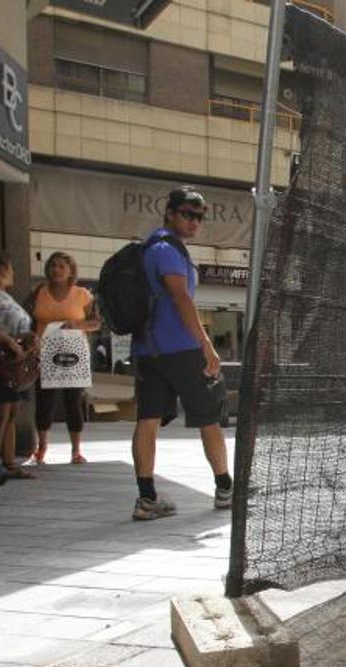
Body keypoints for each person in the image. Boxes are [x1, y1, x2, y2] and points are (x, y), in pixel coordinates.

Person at [129, 186, 232, 521]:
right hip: (180, 348)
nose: (194, 222)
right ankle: (225, 488)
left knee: (148, 419)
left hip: (147, 349)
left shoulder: (149, 247)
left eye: (199, 217)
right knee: (208, 417)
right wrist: (206, 344)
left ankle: (146, 498)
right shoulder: (166, 250)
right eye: (188, 214)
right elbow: (181, 299)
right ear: (170, 212)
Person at [26, 252, 101, 465]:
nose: (56, 270)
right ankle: (41, 447)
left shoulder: (83, 294)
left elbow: (97, 323)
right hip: (44, 353)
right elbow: (27, 319)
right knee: (44, 400)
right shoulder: (38, 292)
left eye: (61, 266)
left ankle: (76, 450)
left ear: (71, 271)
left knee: (73, 401)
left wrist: (78, 324)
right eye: (52, 266)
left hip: (74, 356)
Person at [0, 251, 39, 487]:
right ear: (1, 269)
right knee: (0, 413)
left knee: (10, 412)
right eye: (10, 267)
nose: (13, 272)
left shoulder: (5, 296)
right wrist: (8, 341)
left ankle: (9, 462)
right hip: (0, 358)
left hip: (14, 360)